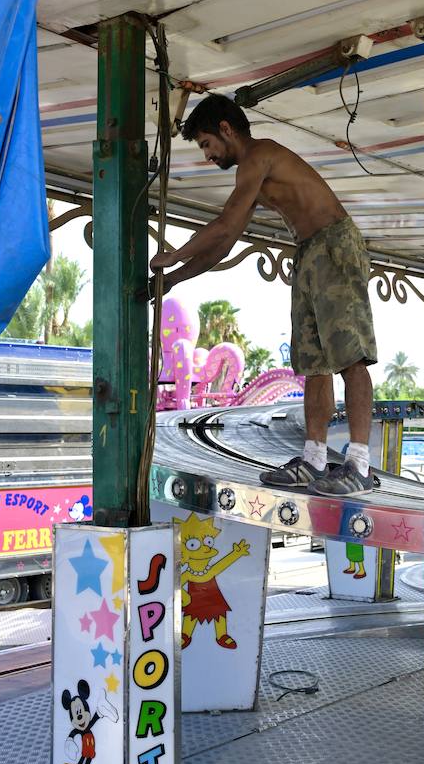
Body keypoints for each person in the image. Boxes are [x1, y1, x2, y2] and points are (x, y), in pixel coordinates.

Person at [150, 94, 377, 495]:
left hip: (334, 244)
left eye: (206, 144)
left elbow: (222, 226)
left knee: (351, 357)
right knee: (314, 363)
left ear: (225, 128)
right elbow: (225, 242)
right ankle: (314, 458)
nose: (207, 156)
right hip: (307, 251)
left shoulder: (260, 155)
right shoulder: (250, 174)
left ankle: (359, 463)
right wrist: (176, 278)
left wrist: (173, 255)